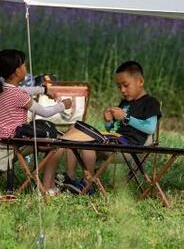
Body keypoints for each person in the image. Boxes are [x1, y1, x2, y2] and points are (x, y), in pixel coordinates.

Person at [61, 60, 161, 192]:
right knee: (73, 133)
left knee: (87, 141)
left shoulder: (150, 102)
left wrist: (126, 117)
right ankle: (70, 178)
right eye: (119, 87)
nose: (122, 90)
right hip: (114, 140)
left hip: (129, 147)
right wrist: (109, 122)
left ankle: (88, 184)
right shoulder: (125, 103)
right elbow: (114, 129)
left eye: (125, 85)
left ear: (140, 81)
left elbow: (150, 128)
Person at [0, 49, 72, 190]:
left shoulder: (2, 89)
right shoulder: (18, 95)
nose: (26, 68)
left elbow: (26, 91)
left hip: (0, 139)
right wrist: (63, 105)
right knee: (58, 143)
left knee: (46, 137)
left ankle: (47, 184)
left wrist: (44, 90)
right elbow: (45, 112)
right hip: (14, 141)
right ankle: (47, 186)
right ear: (17, 71)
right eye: (24, 65)